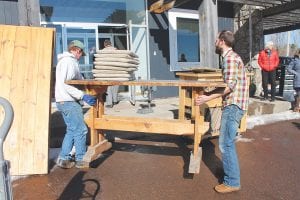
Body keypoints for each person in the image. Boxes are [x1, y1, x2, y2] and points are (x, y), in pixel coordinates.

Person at [195, 30, 249, 193]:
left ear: (222, 41)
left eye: (216, 40)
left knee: (226, 144)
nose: (214, 42)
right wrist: (210, 92)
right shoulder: (231, 57)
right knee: (227, 143)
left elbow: (229, 86)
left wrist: (206, 98)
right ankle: (231, 176)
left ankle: (232, 182)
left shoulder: (230, 58)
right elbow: (229, 83)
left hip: (233, 105)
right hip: (235, 104)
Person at [55, 40, 97, 169]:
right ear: (77, 50)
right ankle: (80, 160)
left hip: (63, 101)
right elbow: (65, 84)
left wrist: (84, 81)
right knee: (80, 130)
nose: (81, 57)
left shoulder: (67, 61)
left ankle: (63, 159)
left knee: (72, 130)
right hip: (69, 101)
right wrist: (82, 95)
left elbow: (76, 78)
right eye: (81, 54)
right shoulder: (68, 62)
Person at [103, 39, 119, 108]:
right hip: (116, 71)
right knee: (115, 85)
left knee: (108, 87)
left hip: (107, 71)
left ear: (105, 44)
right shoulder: (116, 50)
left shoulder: (103, 51)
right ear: (110, 44)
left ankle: (110, 103)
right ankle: (115, 100)